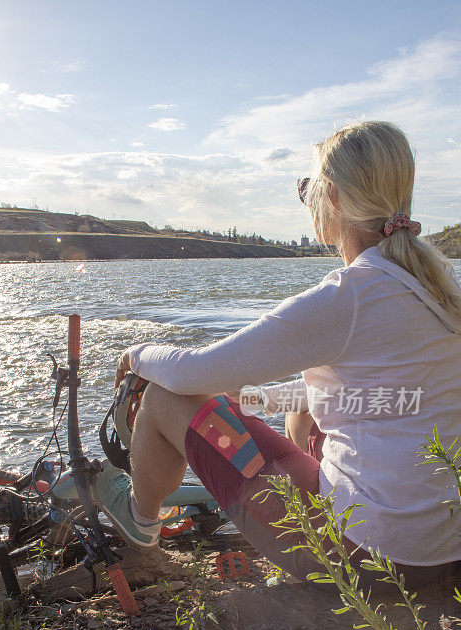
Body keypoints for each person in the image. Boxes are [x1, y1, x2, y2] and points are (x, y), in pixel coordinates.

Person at [92, 120, 461, 591]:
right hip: (443, 550)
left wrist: (136, 353)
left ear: (333, 201)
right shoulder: (438, 285)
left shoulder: (349, 295)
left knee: (165, 395)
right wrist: (253, 400)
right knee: (300, 406)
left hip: (372, 562)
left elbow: (192, 372)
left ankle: (139, 523)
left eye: (309, 189)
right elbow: (384, 398)